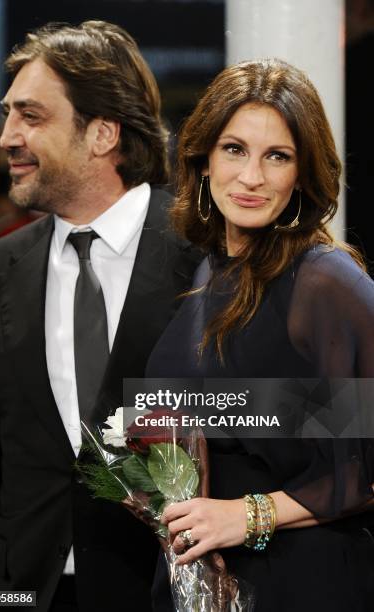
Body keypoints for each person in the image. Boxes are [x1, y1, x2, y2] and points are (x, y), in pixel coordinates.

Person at [0, 21, 200, 612]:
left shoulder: (210, 258)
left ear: (101, 133)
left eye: (31, 116)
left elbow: (290, 422)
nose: (6, 137)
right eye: (8, 113)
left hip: (164, 591)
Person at [146, 58, 374, 612]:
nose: (251, 177)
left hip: (301, 581)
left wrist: (244, 515)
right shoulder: (205, 272)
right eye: (234, 149)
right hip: (206, 580)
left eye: (278, 156)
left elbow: (364, 466)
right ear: (202, 161)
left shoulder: (324, 281)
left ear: (303, 173)